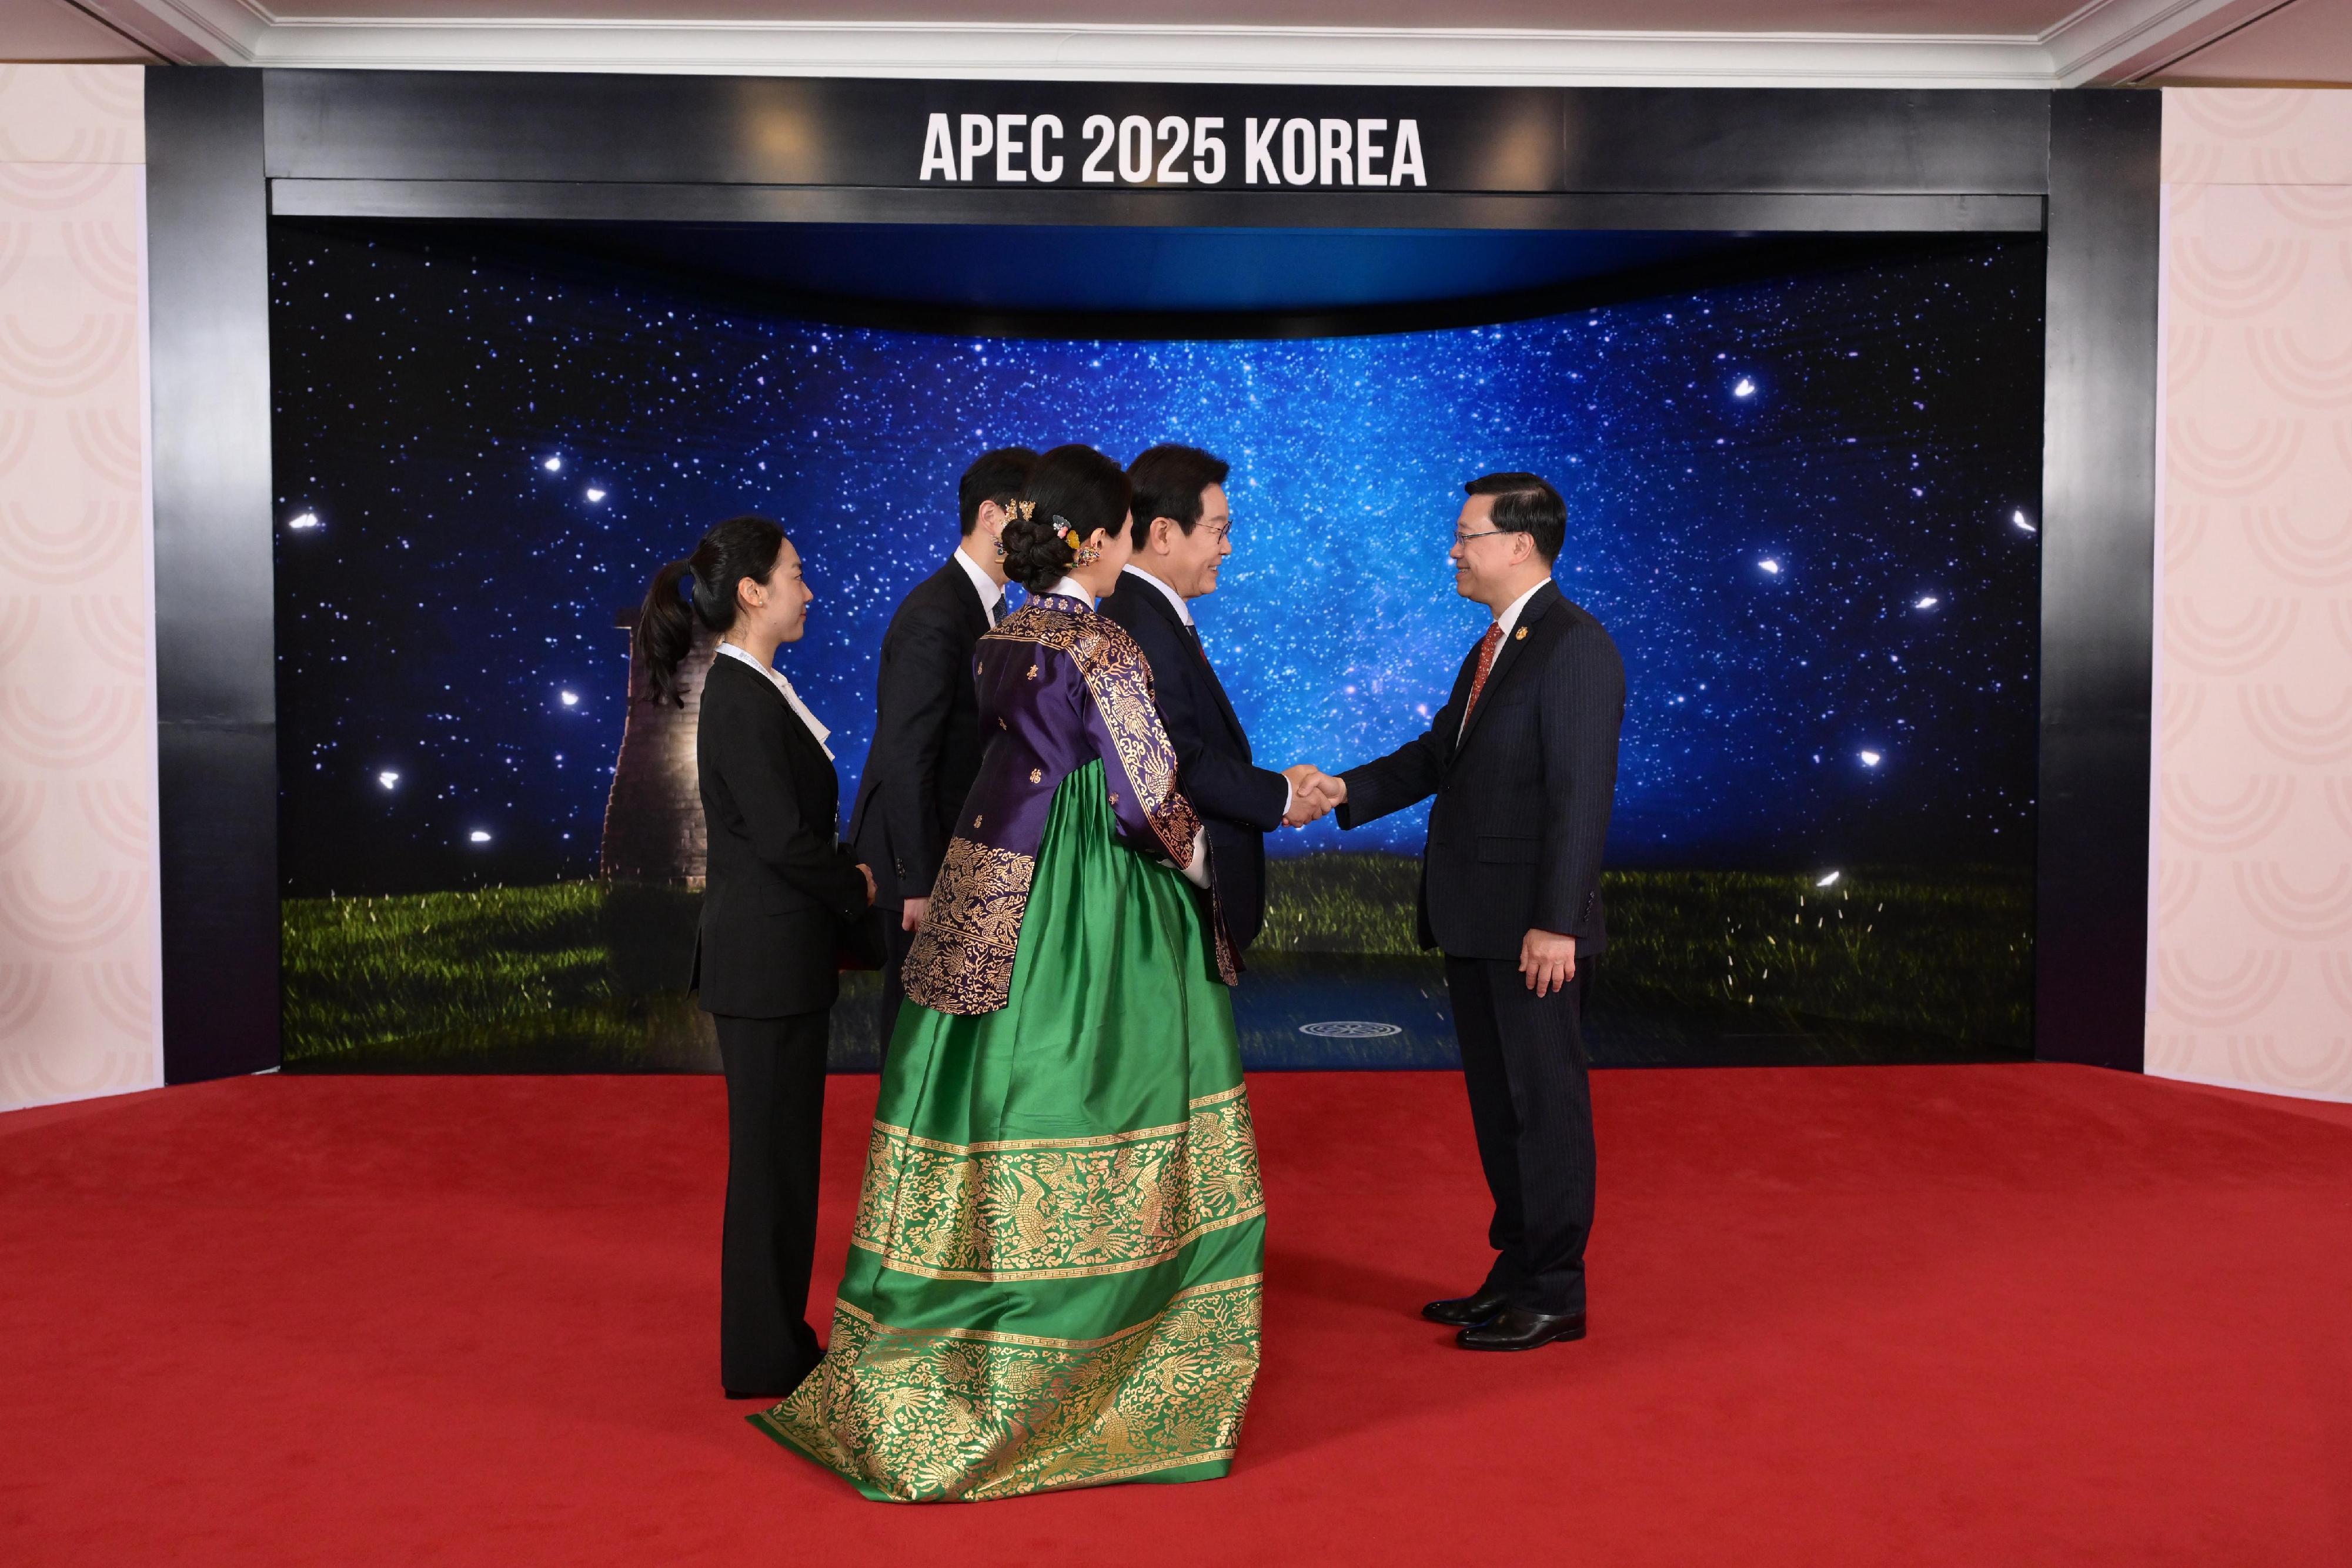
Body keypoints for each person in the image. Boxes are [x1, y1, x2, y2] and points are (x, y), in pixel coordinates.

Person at [754, 446, 1265, 1501]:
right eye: (1124, 533)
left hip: (988, 886)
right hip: (1087, 904)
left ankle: (953, 1316)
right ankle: (1089, 1355)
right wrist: (1208, 869)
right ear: (1102, 539)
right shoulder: (1103, 642)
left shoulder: (1004, 634)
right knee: (1100, 1088)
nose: (1130, 549)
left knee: (979, 1093)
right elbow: (1145, 801)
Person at [1299, 473, 1624, 1352]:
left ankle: (1555, 1292)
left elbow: (1580, 796)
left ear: (1519, 544)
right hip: (1480, 922)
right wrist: (1341, 790)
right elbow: (1439, 754)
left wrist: (1557, 922)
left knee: (1544, 1109)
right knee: (1501, 1109)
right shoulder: (1496, 646)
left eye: (1467, 535)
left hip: (1534, 933)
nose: (1453, 551)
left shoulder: (1574, 645)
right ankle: (1514, 1274)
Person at [636, 516, 877, 1400]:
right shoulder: (740, 695)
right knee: (772, 1168)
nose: (809, 592)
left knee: (780, 1163)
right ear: (751, 591)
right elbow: (781, 837)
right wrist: (857, 884)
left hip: (778, 959)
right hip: (765, 963)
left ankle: (774, 1342)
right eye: (796, 573)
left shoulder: (757, 687)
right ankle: (764, 1354)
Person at [1100, 444, 1328, 957]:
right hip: (1170, 898)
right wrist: (1282, 795)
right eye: (1218, 530)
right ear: (1163, 533)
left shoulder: (1150, 614)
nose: (1227, 548)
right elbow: (1177, 762)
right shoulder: (1139, 624)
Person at [848, 447, 1038, 1061]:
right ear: (992, 516)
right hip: (924, 867)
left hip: (963, 853)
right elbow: (905, 756)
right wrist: (919, 881)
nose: (1046, 534)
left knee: (956, 1041)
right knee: (918, 1043)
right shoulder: (935, 613)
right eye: (1034, 516)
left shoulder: (991, 606)